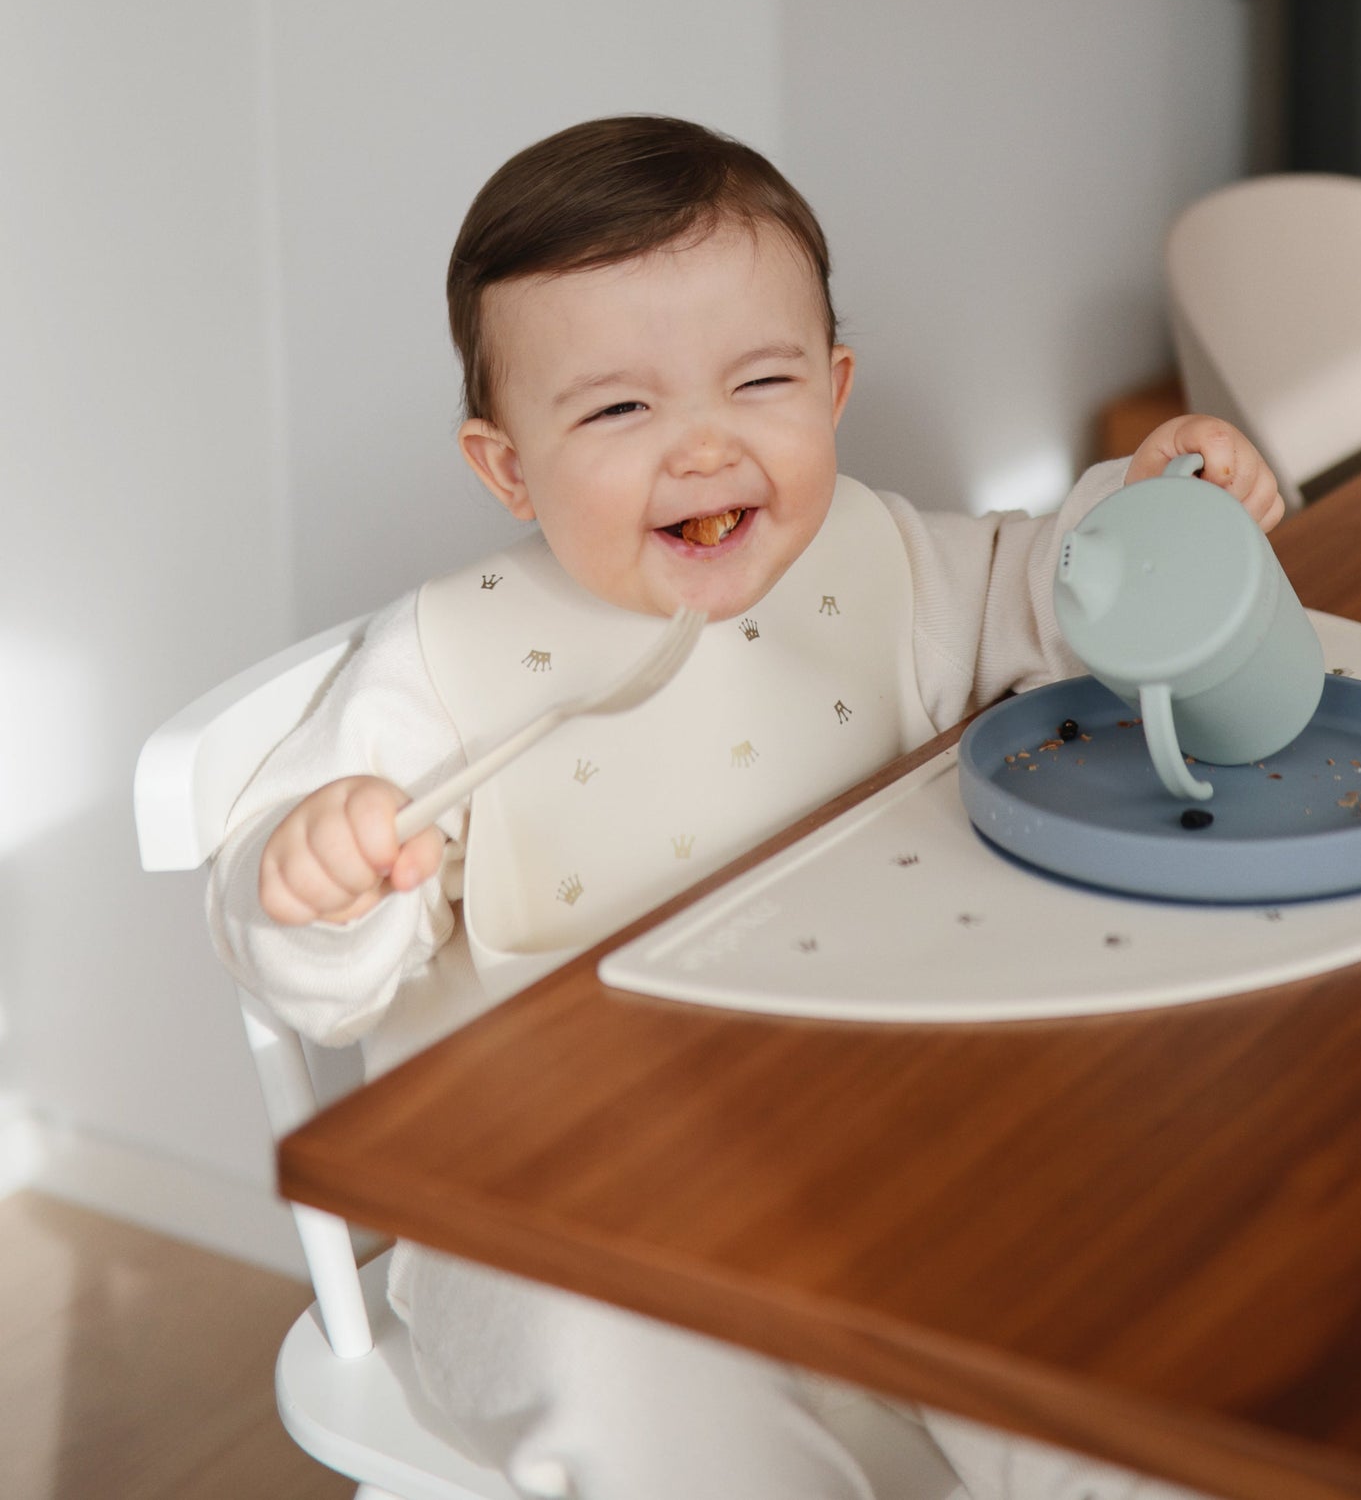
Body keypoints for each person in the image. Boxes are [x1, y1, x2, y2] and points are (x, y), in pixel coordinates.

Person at [209, 115, 1285, 1500]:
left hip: (870, 1125)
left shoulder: (885, 560)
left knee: (1089, 1309)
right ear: (507, 467)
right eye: (617, 409)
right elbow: (310, 961)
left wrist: (1152, 509)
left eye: (757, 380)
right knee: (643, 1393)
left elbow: (1060, 594)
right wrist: (318, 880)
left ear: (833, 389)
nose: (701, 445)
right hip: (551, 1199)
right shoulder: (439, 664)